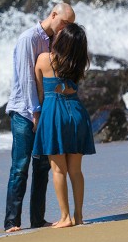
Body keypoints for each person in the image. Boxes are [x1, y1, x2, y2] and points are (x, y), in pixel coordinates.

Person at [4, 2, 76, 232]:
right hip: (24, 112)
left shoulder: (54, 40)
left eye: (69, 26)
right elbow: (26, 79)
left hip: (44, 112)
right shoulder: (29, 39)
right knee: (20, 166)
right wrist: (36, 113)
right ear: (53, 15)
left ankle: (37, 219)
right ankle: (12, 222)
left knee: (42, 165)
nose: (65, 29)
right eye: (64, 23)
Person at [32, 23, 96, 228]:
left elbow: (40, 94)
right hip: (76, 113)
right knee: (75, 171)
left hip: (54, 113)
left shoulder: (44, 59)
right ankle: (79, 216)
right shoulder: (78, 63)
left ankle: (65, 217)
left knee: (58, 170)